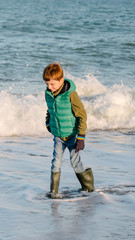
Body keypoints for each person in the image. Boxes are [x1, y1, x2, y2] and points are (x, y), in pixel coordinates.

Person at [43, 62, 94, 199]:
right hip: (58, 136)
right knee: (56, 162)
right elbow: (50, 110)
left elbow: (81, 115)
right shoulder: (48, 94)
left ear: (61, 80)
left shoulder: (71, 95)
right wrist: (48, 123)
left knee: (75, 163)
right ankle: (53, 192)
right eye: (47, 84)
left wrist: (81, 136)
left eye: (52, 84)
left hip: (72, 136)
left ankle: (88, 188)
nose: (49, 87)